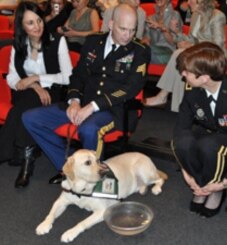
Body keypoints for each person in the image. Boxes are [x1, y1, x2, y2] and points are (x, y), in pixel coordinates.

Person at [22, 3, 151, 185]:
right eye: (123, 29)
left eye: (132, 30)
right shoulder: (93, 41)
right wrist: (74, 100)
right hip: (81, 103)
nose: (127, 35)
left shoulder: (140, 51)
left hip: (113, 110)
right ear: (111, 24)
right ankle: (69, 168)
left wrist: (92, 107)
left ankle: (94, 181)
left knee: (88, 129)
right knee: (31, 118)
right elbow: (78, 75)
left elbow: (130, 89)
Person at [172, 41, 227, 218]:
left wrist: (225, 182)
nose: (182, 74)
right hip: (211, 133)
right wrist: (186, 173)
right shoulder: (192, 88)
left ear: (205, 77)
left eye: (188, 72)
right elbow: (180, 128)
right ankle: (200, 185)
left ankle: (215, 190)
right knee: (183, 141)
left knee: (209, 145)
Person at [0, 1, 72, 188]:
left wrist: (36, 79)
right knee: (27, 105)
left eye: (39, 20)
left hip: (53, 93)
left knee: (22, 112)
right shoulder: (19, 43)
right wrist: (34, 86)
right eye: (30, 23)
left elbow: (67, 77)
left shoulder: (57, 40)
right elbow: (12, 78)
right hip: (27, 93)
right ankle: (25, 157)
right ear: (22, 26)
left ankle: (21, 158)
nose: (37, 26)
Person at [144, 0, 227, 112]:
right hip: (197, 55)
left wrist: (192, 45)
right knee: (182, 56)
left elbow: (218, 46)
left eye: (191, 0)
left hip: (214, 58)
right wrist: (176, 33)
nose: (188, 3)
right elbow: (191, 38)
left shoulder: (217, 16)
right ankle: (177, 105)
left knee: (180, 54)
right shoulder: (195, 15)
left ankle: (164, 97)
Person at [142, 0, 183, 64]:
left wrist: (161, 27)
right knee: (139, 48)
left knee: (144, 52)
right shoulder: (151, 17)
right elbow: (146, 37)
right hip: (153, 50)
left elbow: (174, 42)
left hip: (169, 52)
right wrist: (145, 41)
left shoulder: (175, 15)